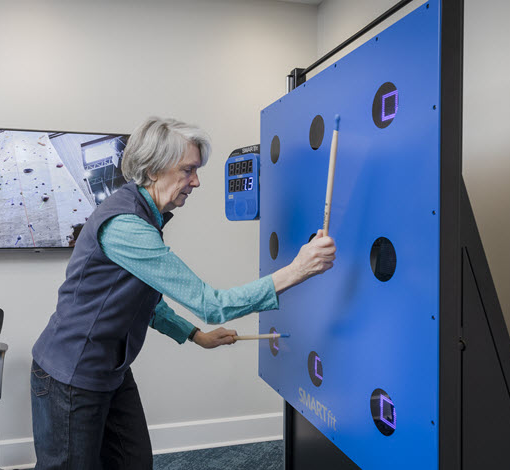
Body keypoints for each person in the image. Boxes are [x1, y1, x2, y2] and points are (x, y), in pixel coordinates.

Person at [30, 117, 337, 470]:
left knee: (133, 463)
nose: (196, 181)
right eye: (189, 170)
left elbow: (148, 301)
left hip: (110, 370)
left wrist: (195, 336)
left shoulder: (144, 215)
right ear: (154, 169)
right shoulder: (126, 226)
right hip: (71, 375)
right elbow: (212, 304)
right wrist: (298, 269)